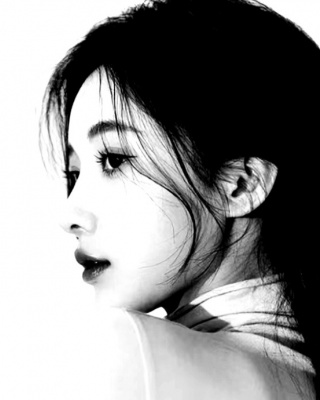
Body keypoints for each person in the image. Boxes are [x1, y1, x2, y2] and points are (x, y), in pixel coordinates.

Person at [40, 0, 320, 398]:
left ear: (241, 184)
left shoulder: (135, 356)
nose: (70, 214)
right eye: (74, 173)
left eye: (114, 159)